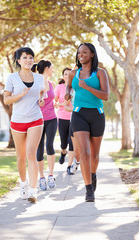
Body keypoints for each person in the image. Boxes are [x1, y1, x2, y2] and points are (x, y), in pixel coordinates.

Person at [65, 43, 109, 202]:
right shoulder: (73, 73)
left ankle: (93, 174)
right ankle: (89, 189)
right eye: (78, 52)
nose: (80, 55)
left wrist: (86, 86)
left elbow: (105, 96)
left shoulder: (100, 73)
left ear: (92, 54)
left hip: (97, 114)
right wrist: (67, 94)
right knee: (84, 153)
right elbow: (69, 87)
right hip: (79, 114)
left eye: (84, 52)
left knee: (94, 155)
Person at [4, 47, 45, 203]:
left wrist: (41, 100)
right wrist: (20, 94)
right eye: (25, 57)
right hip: (18, 121)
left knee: (31, 154)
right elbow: (7, 100)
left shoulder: (40, 78)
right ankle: (23, 184)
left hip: (35, 118)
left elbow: (42, 94)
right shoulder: (12, 78)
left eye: (31, 57)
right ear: (19, 60)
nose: (29, 60)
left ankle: (33, 191)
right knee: (21, 157)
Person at [32, 60, 57, 190]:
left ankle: (51, 175)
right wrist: (39, 102)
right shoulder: (36, 83)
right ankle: (41, 177)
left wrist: (55, 104)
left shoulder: (52, 84)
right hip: (38, 120)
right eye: (51, 68)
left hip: (52, 118)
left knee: (50, 145)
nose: (53, 70)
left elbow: (51, 100)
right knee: (40, 149)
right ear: (47, 68)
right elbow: (32, 101)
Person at [54, 68, 75, 175]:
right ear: (63, 76)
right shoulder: (59, 87)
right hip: (62, 117)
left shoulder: (75, 87)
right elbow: (55, 100)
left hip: (74, 117)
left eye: (69, 74)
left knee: (72, 143)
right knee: (63, 143)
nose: (67, 76)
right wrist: (56, 103)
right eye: (65, 74)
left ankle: (69, 166)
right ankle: (63, 152)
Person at [64, 92, 80, 174]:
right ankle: (69, 166)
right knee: (72, 145)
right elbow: (66, 106)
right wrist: (76, 108)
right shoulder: (71, 91)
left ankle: (78, 163)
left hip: (88, 121)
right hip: (74, 120)